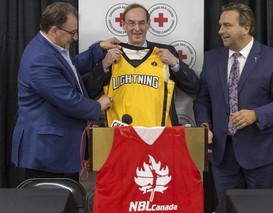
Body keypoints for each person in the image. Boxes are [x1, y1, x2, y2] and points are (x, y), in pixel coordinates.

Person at [193, 2, 273, 213]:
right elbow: (202, 100)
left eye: (227, 25)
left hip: (263, 154)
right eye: (220, 25)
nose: (220, 31)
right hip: (222, 156)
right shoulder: (212, 58)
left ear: (245, 28)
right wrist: (204, 125)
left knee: (262, 211)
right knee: (228, 211)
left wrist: (256, 114)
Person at [11, 2, 121, 182]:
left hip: (56, 150)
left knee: (64, 204)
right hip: (46, 153)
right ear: (54, 31)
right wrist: (98, 106)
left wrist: (99, 48)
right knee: (51, 205)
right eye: (72, 32)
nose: (76, 37)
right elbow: (68, 101)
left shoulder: (50, 47)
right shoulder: (39, 59)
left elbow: (71, 68)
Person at [84, 3, 199, 126]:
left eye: (142, 23)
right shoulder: (111, 55)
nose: (137, 28)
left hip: (160, 135)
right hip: (120, 135)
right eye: (131, 23)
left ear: (149, 24)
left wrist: (175, 63)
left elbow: (193, 87)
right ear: (123, 25)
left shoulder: (165, 52)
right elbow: (88, 92)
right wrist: (104, 65)